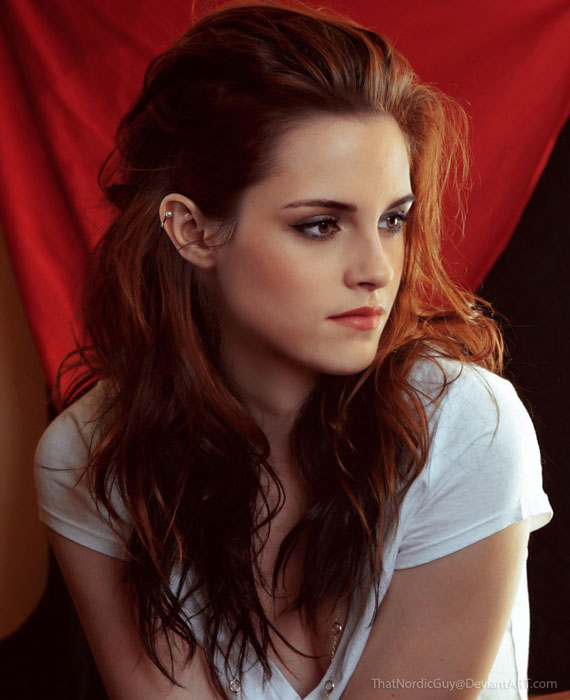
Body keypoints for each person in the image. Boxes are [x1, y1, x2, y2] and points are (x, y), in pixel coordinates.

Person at [33, 1, 553, 698]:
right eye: (319, 225)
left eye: (392, 220)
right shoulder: (89, 459)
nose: (377, 269)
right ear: (192, 231)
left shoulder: (464, 427)